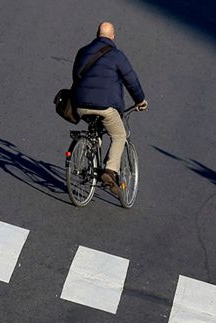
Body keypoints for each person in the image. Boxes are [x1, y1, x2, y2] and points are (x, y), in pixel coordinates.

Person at [72, 21, 148, 196]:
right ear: (113, 36)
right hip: (105, 107)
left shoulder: (83, 51)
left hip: (81, 105)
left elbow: (76, 76)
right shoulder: (117, 55)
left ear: (97, 34)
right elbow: (131, 80)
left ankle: (90, 151)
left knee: (95, 129)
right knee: (119, 135)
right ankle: (109, 171)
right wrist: (140, 100)